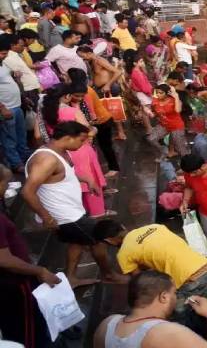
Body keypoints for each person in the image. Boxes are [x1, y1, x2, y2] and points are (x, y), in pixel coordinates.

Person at [22, 121, 125, 287]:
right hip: (65, 216)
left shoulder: (58, 152)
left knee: (77, 241)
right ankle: (109, 274)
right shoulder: (46, 159)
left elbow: (63, 174)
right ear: (69, 138)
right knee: (100, 237)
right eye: (81, 140)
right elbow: (27, 192)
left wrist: (87, 179)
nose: (84, 144)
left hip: (72, 211)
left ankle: (71, 278)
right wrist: (46, 217)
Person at [93, 220, 207, 327]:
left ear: (109, 241)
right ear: (123, 227)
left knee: (177, 318)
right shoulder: (155, 226)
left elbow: (141, 281)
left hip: (188, 280)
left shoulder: (124, 253)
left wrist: (121, 279)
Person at [0, 164, 61, 348]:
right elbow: (4, 259)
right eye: (5, 183)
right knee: (27, 328)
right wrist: (39, 270)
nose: (6, 188)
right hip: (14, 283)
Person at [92, 270, 207, 348]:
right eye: (174, 293)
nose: (176, 297)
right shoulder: (167, 333)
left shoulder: (106, 325)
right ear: (163, 297)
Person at [41, 80, 111, 217]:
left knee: (74, 181)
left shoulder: (47, 113)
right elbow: (88, 131)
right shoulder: (72, 111)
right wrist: (95, 129)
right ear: (67, 96)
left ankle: (82, 211)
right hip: (80, 149)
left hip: (61, 150)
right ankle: (98, 212)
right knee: (89, 179)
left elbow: (40, 134)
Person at [0, 39, 30, 173]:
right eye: (2, 53)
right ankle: (16, 164)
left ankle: (25, 159)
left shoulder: (3, 65)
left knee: (21, 136)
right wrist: (2, 108)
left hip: (16, 106)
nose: (4, 56)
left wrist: (23, 98)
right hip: (6, 109)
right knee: (9, 139)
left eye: (5, 53)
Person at [151, 84, 189, 157]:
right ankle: (163, 151)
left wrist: (176, 96)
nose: (158, 95)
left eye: (161, 93)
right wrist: (149, 113)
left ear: (167, 93)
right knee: (151, 138)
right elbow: (155, 113)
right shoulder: (155, 101)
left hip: (176, 126)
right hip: (164, 125)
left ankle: (188, 164)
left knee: (180, 148)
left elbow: (178, 110)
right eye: (157, 92)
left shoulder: (175, 100)